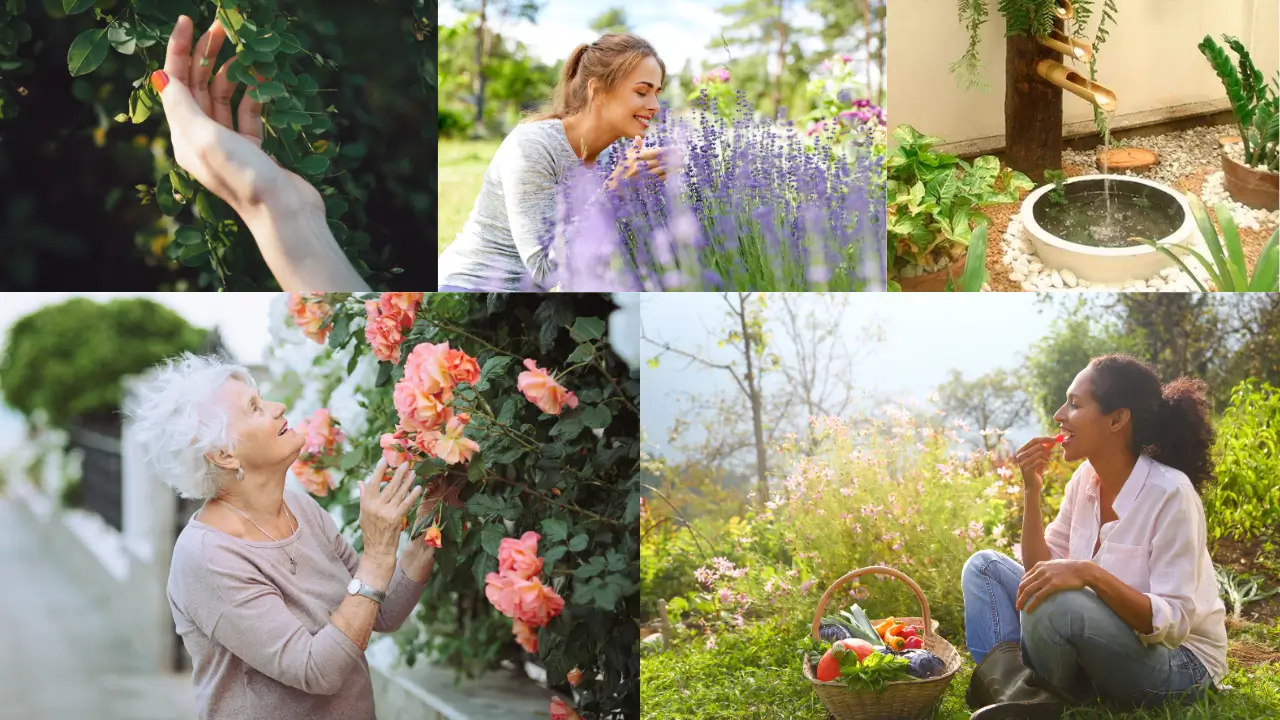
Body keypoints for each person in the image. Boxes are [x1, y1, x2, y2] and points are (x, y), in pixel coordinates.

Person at [133, 353, 432, 719]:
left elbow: (380, 612)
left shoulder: (300, 509)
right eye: (255, 408)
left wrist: (427, 532)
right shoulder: (206, 557)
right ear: (224, 454)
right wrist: (378, 557)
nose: (278, 407)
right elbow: (315, 670)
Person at [960, 354, 1226, 720]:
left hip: (1178, 664)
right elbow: (1040, 570)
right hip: (1104, 642)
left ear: (1117, 419)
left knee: (1055, 602)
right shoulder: (1084, 479)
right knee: (984, 567)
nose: (1059, 415)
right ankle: (1023, 695)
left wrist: (1089, 574)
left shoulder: (1171, 494)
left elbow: (1175, 623)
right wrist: (1031, 492)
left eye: (1074, 404)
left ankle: (1041, 694)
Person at [436, 33, 684, 291]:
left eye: (657, 93)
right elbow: (545, 271)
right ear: (597, 90)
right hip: (469, 290)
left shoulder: (615, 156)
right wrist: (615, 188)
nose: (655, 105)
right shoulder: (533, 146)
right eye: (642, 92)